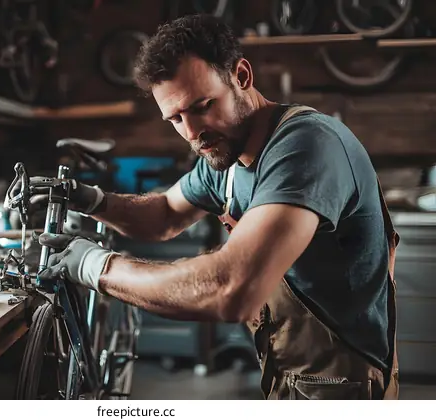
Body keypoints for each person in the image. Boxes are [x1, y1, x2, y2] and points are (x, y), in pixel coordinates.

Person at [35, 14, 399, 400]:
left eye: (203, 105)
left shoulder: (305, 145)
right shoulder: (226, 156)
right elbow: (163, 215)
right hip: (290, 372)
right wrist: (92, 200)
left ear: (241, 76)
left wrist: (95, 266)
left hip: (345, 383)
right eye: (175, 118)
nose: (192, 132)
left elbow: (232, 289)